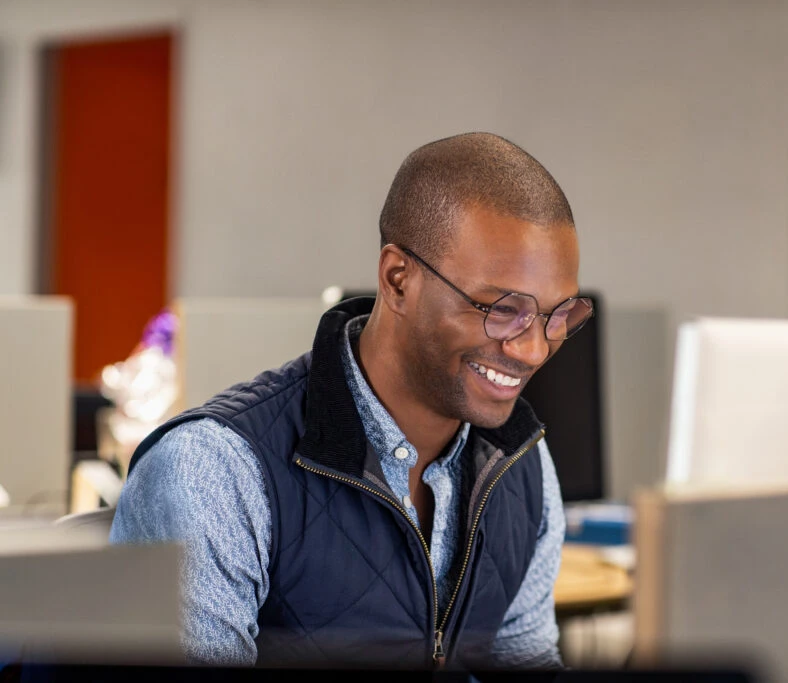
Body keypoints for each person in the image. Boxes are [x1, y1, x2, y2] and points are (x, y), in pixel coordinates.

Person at [110, 132, 594, 670]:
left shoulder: (521, 465)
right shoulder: (215, 472)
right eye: (501, 309)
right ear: (398, 280)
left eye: (558, 316)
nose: (532, 350)